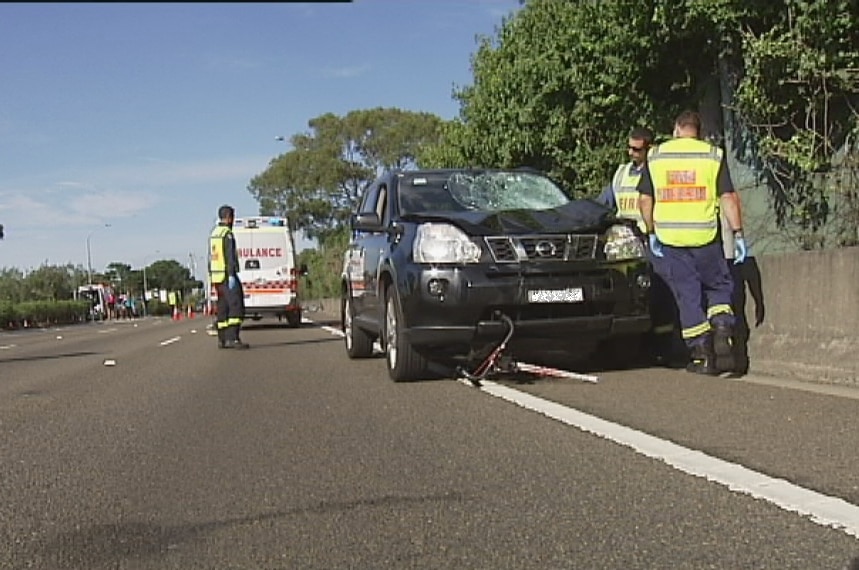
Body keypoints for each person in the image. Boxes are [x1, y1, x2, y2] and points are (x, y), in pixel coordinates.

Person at [637, 110, 747, 375]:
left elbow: (644, 199)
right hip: (706, 236)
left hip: (671, 239)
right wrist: (739, 234)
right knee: (718, 285)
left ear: (676, 128)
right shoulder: (712, 155)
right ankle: (722, 330)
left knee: (688, 294)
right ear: (698, 131)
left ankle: (702, 356)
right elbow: (728, 197)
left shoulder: (657, 156)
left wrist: (650, 231)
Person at [597, 126, 684, 366]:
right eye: (629, 147)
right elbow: (604, 203)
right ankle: (641, 346)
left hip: (651, 241)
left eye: (636, 149)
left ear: (649, 148)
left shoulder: (657, 172)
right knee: (630, 297)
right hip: (626, 245)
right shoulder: (621, 173)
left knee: (661, 295)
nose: (631, 153)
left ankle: (665, 348)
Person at [720, 212, 765, 375]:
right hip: (722, 262)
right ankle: (732, 357)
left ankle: (736, 358)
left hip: (728, 262)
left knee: (734, 314)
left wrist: (759, 300)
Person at [209, 204, 249, 349]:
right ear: (228, 217)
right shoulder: (227, 234)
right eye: (232, 217)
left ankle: (222, 339)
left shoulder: (215, 233)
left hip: (217, 278)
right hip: (227, 276)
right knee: (235, 306)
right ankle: (233, 338)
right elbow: (229, 256)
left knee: (222, 307)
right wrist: (232, 274)